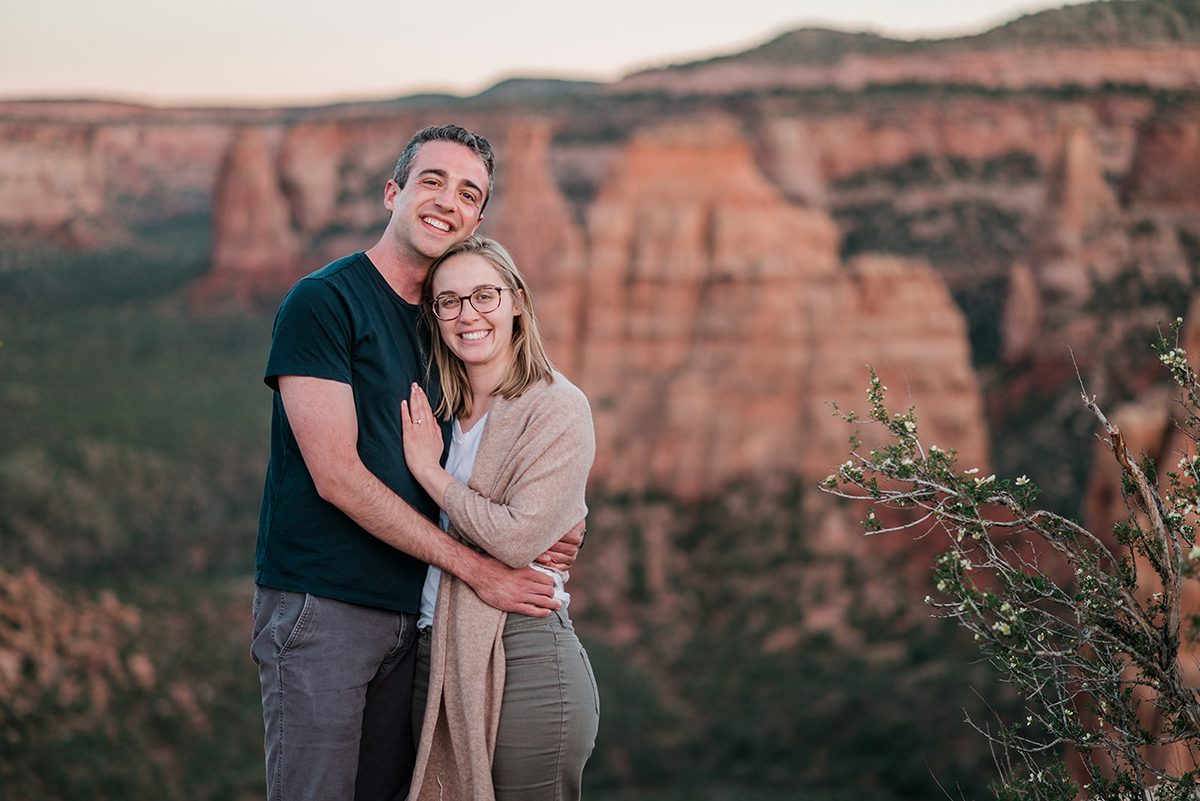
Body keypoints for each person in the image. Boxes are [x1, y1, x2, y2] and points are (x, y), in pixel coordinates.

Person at [250, 124, 582, 801]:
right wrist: (479, 568)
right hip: (325, 607)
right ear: (393, 191)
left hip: (418, 622)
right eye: (432, 180)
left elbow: (500, 440)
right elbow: (336, 475)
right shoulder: (325, 302)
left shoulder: (448, 320)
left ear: (477, 219)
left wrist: (559, 518)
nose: (447, 201)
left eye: (468, 193)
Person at [399, 235, 599, 801]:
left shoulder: (557, 405)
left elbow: (515, 540)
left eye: (484, 295)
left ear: (517, 301)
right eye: (450, 301)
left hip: (526, 658)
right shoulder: (435, 408)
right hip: (434, 656)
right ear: (435, 316)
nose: (468, 315)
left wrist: (428, 472)